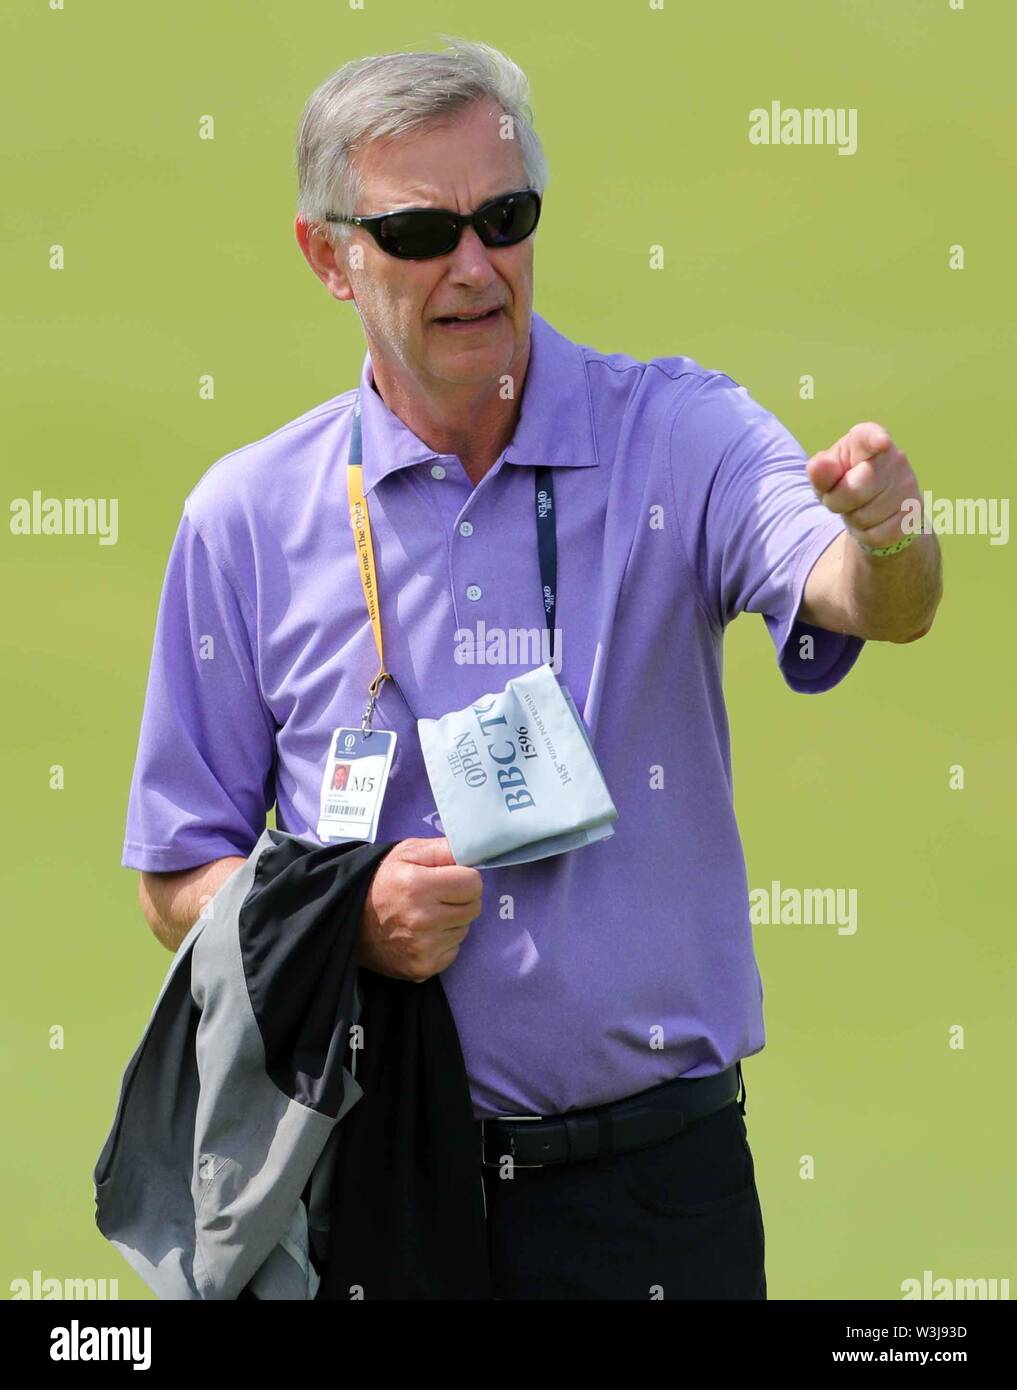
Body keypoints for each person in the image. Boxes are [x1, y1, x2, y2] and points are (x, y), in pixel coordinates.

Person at [124, 37, 942, 1300]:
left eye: (504, 217)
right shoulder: (244, 517)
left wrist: (887, 537)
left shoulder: (680, 436)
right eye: (416, 232)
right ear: (327, 257)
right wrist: (349, 918)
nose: (472, 265)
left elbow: (865, 599)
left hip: (656, 1191)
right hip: (378, 1182)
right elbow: (178, 872)